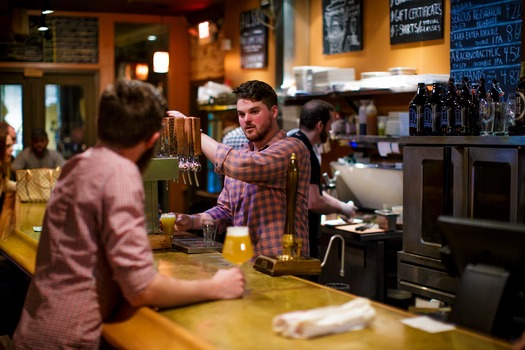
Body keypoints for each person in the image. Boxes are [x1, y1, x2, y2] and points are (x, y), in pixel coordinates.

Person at [12, 79, 245, 349]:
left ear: (99, 123)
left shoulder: (77, 164)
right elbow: (142, 288)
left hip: (36, 330)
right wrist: (215, 286)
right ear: (153, 140)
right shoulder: (121, 173)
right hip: (69, 339)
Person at [168, 80, 311, 258]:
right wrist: (191, 221)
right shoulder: (241, 154)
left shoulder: (292, 149)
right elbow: (225, 211)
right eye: (241, 114)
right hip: (246, 262)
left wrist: (194, 132)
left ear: (274, 112)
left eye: (254, 111)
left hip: (282, 263)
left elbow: (245, 166)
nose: (247, 120)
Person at [290, 99, 357, 258]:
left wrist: (342, 206)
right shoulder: (306, 152)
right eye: (330, 125)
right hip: (301, 237)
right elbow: (313, 202)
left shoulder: (293, 140)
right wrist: (341, 208)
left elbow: (312, 191)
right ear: (320, 125)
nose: (330, 130)